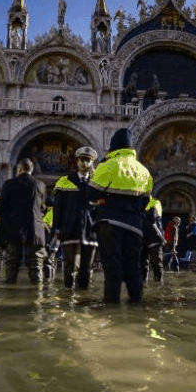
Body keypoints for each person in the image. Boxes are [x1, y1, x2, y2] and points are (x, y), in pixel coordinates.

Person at [88, 128, 153, 303]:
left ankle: (112, 310)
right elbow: (146, 202)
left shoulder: (108, 165)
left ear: (113, 146)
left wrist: (103, 200)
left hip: (111, 223)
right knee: (134, 268)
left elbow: (91, 194)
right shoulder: (144, 171)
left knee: (112, 267)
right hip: (135, 226)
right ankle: (136, 306)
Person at [52, 146, 99, 289]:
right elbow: (58, 208)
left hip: (91, 232)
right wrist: (56, 229)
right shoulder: (65, 181)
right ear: (77, 162)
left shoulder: (97, 183)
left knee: (86, 269)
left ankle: (82, 303)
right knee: (70, 267)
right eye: (82, 160)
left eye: (88, 161)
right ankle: (68, 299)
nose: (84, 163)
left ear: (92, 163)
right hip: (70, 229)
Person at [0, 158, 47, 285]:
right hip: (35, 229)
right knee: (36, 262)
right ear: (32, 170)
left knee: (12, 261)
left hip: (13, 229)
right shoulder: (40, 185)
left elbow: (1, 207)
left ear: (19, 169)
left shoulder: (9, 184)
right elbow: (42, 208)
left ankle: (10, 291)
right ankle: (37, 294)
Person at [141, 195, 165, 284]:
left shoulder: (155, 203)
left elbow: (152, 219)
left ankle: (158, 284)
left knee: (156, 264)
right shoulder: (138, 202)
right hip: (142, 236)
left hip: (154, 237)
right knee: (142, 264)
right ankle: (143, 284)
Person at [42, 203, 59, 282]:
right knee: (51, 261)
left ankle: (49, 281)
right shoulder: (53, 211)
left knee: (49, 261)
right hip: (54, 240)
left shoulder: (50, 212)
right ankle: (50, 281)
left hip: (51, 241)